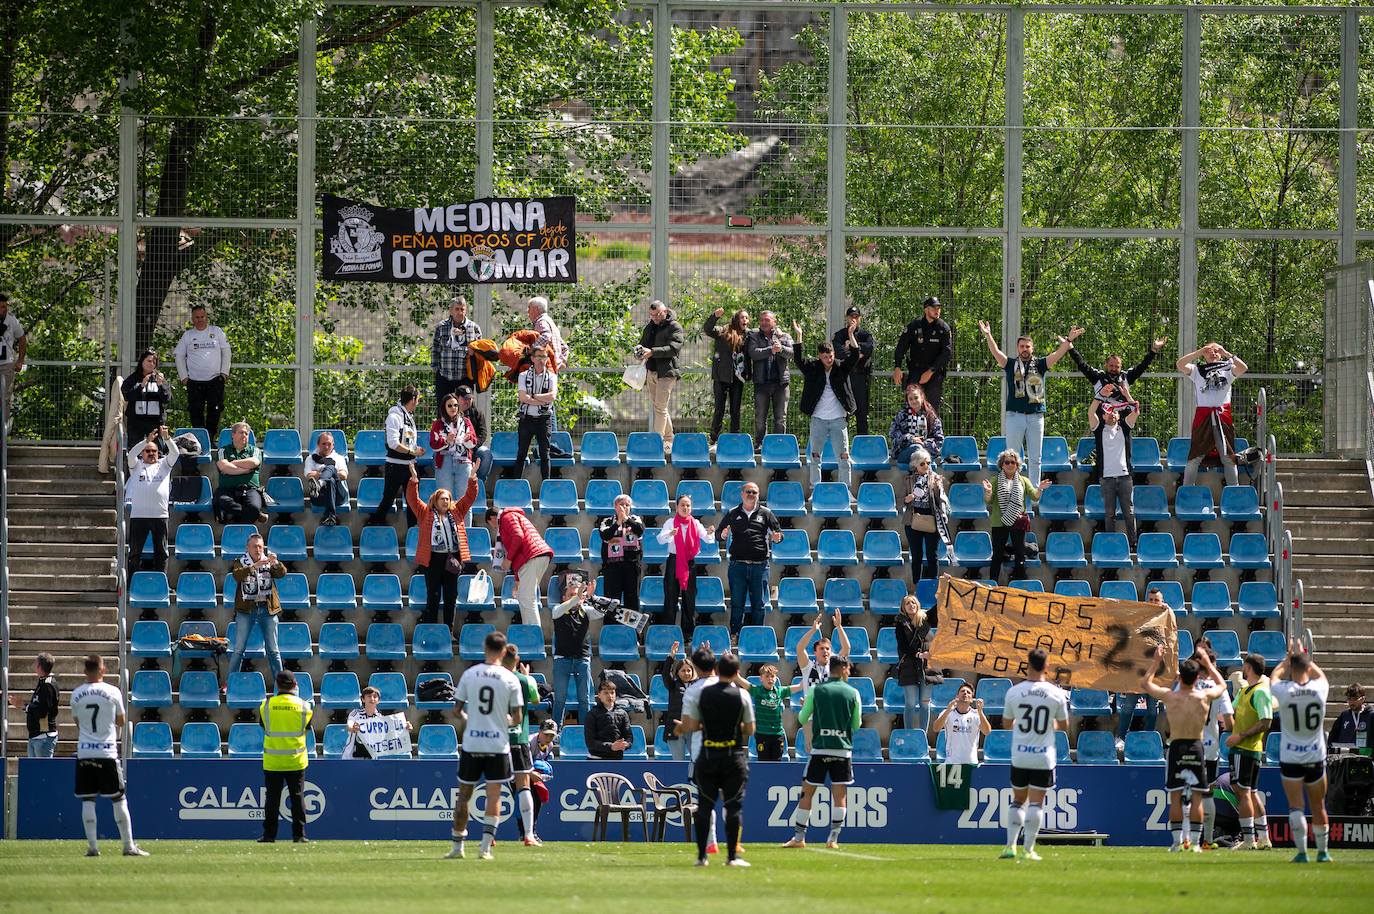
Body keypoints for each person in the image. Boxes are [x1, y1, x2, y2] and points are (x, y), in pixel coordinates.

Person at [1138, 644, 1228, 852]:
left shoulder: (1171, 696)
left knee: (1175, 796)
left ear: (1180, 678)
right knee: (1197, 796)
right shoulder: (1203, 697)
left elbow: (1145, 683)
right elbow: (1222, 685)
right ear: (1197, 678)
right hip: (1196, 747)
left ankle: (1177, 843)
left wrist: (1156, 662)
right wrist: (1208, 664)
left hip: (1177, 747)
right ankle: (1195, 844)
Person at [447, 629, 523, 860]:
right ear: (503, 651)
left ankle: (458, 847)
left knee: (464, 797)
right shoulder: (510, 678)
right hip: (497, 746)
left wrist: (470, 719)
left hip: (473, 743)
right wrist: (505, 721)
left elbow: (457, 710)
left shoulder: (470, 674)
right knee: (494, 796)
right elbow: (517, 717)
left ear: (484, 649)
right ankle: (485, 849)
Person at [679, 651, 754, 867]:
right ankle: (732, 857)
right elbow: (750, 729)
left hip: (707, 754)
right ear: (736, 672)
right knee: (733, 806)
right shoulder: (742, 695)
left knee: (704, 806)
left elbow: (691, 725)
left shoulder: (701, 693)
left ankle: (702, 857)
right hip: (733, 755)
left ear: (718, 670)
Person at [978, 321, 1076, 484]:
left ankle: (1035, 492)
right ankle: (1013, 488)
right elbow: (995, 351)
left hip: (1036, 416)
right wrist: (988, 335)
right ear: (1018, 348)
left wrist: (1068, 341)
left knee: (1036, 457)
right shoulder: (1010, 364)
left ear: (1032, 348)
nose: (1025, 349)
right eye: (1022, 346)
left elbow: (1058, 354)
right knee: (1012, 457)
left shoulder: (1040, 364)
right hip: (1014, 416)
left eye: (1028, 346)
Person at [781, 655, 862, 849]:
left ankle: (799, 839)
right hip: (842, 751)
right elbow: (856, 725)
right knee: (839, 796)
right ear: (842, 669)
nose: (849, 672)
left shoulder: (817, 690)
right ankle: (832, 839)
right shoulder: (853, 693)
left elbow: (802, 717)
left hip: (819, 749)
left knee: (807, 793)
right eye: (848, 669)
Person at [71, 654, 149, 856]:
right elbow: (122, 721)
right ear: (103, 670)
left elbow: (78, 722)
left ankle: (93, 848)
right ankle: (128, 846)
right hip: (106, 752)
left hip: (85, 752)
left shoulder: (77, 693)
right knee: (118, 799)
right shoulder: (113, 692)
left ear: (84, 671)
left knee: (88, 800)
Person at [1000, 648, 1069, 861]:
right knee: (1037, 803)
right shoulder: (1056, 693)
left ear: (1027, 666)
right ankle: (1028, 849)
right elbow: (1064, 726)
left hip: (1020, 754)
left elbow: (1006, 724)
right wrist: (1048, 724)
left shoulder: (1014, 691)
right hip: (1043, 755)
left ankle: (1010, 846)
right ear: (1047, 667)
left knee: (1018, 800)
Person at [1270, 640, 1334, 862]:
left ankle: (1301, 853)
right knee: (1318, 805)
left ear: (1291, 669)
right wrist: (1303, 654)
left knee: (1296, 806)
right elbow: (1321, 676)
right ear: (1308, 668)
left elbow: (1273, 678)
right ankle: (1323, 853)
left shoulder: (1285, 690)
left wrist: (1287, 659)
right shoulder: (1319, 688)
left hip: (1290, 756)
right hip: (1315, 755)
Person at [407, 465, 479, 631]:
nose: (446, 501)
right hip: (432, 560)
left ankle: (449, 631)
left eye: (448, 499)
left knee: (450, 597)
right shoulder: (425, 512)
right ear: (435, 500)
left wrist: (473, 477)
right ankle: (431, 630)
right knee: (433, 596)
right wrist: (414, 479)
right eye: (442, 499)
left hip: (452, 558)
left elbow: (470, 496)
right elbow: (412, 498)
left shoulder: (457, 511)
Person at [792, 320, 861, 489]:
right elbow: (799, 360)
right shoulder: (813, 368)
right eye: (825, 357)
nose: (829, 359)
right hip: (818, 420)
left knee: (844, 457)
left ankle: (846, 489)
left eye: (830, 356)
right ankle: (815, 488)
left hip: (838, 420)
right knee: (815, 457)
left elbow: (854, 355)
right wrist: (799, 336)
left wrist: (851, 335)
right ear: (819, 357)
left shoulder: (840, 367)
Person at [717, 482, 783, 639]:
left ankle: (757, 636)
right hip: (737, 566)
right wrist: (723, 535)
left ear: (758, 495)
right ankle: (735, 634)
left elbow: (779, 532)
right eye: (748, 491)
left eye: (754, 492)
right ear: (742, 494)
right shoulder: (733, 513)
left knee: (759, 604)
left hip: (760, 567)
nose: (751, 494)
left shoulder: (766, 513)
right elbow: (718, 533)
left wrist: (778, 538)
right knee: (737, 603)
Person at [1178, 341, 1248, 487]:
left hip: (1222, 416)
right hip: (1203, 416)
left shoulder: (1228, 369)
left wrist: (1227, 353)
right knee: (1195, 456)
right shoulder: (1197, 370)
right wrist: (1199, 352)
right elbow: (1180, 364)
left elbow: (1243, 367)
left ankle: (1233, 491)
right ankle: (1186, 491)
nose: (1213, 353)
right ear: (1204, 354)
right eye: (1209, 351)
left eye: (1216, 351)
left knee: (1228, 457)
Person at [1065, 330, 1166, 427]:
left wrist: (1154, 349)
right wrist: (1070, 347)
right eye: (1111, 365)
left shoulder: (1126, 377)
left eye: (1117, 366)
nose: (1114, 369)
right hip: (1103, 422)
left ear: (1121, 367)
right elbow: (1081, 364)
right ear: (1106, 365)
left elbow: (1142, 366)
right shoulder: (1098, 376)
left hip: (1122, 422)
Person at [256, 670, 312, 843]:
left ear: (277, 685)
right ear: (295, 685)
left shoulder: (266, 705)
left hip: (273, 761)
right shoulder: (304, 706)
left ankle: (269, 835)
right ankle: (299, 835)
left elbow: (264, 727)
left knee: (272, 799)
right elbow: (307, 729)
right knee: (297, 798)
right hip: (296, 760)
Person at [1226, 654, 1274, 850]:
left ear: (1248, 667)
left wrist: (1241, 735)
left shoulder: (1261, 692)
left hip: (1246, 748)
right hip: (1242, 749)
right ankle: (1263, 838)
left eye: (1244, 665)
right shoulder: (1245, 690)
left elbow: (1266, 721)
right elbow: (1232, 713)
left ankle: (1248, 840)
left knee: (1243, 792)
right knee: (1251, 793)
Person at [225, 533, 285, 687]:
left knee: (273, 651)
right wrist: (253, 567)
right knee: (238, 649)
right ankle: (229, 683)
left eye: (260, 546)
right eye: (254, 546)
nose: (258, 549)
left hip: (267, 609)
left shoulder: (269, 561)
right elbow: (236, 576)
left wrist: (276, 562)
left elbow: (281, 573)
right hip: (247, 610)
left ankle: (281, 686)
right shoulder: (241, 561)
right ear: (247, 548)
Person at [982, 449, 1051, 583]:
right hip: (999, 522)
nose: (1009, 464)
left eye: (1012, 462)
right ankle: (993, 584)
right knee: (997, 555)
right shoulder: (994, 481)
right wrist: (989, 491)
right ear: (1002, 464)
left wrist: (1040, 488)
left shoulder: (1024, 481)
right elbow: (987, 500)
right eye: (1006, 462)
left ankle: (1020, 584)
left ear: (1017, 464)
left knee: (1020, 554)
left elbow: (1034, 496)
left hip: (1018, 522)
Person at [501, 644, 545, 846]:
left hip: (496, 739)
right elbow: (536, 701)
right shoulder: (525, 680)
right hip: (518, 739)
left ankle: (488, 837)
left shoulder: (493, 680)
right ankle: (528, 834)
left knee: (492, 787)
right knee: (524, 787)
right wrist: (527, 676)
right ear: (517, 661)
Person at [1114, 587, 1167, 752]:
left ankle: (1149, 738)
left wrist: (1167, 609)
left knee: (1152, 708)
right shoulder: (1139, 615)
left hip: (1155, 670)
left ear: (1162, 602)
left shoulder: (1166, 615)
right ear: (1146, 601)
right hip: (1137, 670)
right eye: (1150, 600)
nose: (1153, 603)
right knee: (1128, 705)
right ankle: (1121, 737)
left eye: (1156, 600)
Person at [656, 494, 715, 641]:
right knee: (670, 596)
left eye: (688, 505)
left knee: (689, 598)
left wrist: (709, 533)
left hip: (689, 563)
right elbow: (660, 539)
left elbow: (707, 539)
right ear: (676, 507)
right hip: (674, 561)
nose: (685, 507)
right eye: (682, 505)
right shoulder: (671, 522)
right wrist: (670, 533)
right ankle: (668, 632)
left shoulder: (695, 523)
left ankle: (687, 633)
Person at [1194, 637, 1235, 849]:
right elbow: (1229, 722)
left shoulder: (1185, 682)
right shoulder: (1219, 688)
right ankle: (1207, 840)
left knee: (1187, 794)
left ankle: (1187, 841)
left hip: (1188, 745)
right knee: (1207, 793)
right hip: (1210, 748)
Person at [124, 427, 179, 584]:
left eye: (153, 451)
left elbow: (175, 453)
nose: (151, 453)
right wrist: (146, 441)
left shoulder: (164, 465)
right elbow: (132, 454)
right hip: (139, 516)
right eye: (147, 451)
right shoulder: (136, 466)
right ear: (143, 453)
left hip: (160, 516)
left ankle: (162, 584)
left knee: (161, 552)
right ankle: (131, 583)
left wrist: (167, 439)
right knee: (135, 552)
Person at [367, 385, 426, 527]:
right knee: (388, 498)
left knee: (413, 500)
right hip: (395, 465)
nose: (418, 402)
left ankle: (412, 531)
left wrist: (415, 449)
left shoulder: (408, 416)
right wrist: (413, 452)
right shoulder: (394, 416)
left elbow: (406, 442)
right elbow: (393, 444)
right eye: (417, 399)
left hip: (410, 465)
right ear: (413, 399)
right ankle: (375, 524)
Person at [550, 574, 605, 725]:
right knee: (560, 698)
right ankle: (556, 731)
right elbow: (562, 609)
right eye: (571, 595)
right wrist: (580, 596)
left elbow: (601, 612)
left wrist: (591, 598)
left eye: (576, 594)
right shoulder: (557, 610)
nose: (575, 597)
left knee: (584, 699)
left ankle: (585, 731)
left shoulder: (585, 610)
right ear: (563, 597)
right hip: (562, 660)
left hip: (582, 658)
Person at [489, 505, 553, 627]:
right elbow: (521, 555)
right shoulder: (513, 516)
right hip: (536, 556)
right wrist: (518, 582)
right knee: (523, 596)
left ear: (492, 517)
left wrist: (508, 559)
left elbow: (518, 537)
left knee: (528, 599)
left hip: (533, 557)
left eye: (490, 524)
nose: (493, 527)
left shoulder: (506, 517)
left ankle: (534, 637)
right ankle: (528, 630)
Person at [173, 304, 230, 437]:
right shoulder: (188, 335)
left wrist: (224, 374)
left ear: (206, 317)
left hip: (215, 380)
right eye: (197, 317)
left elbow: (226, 352)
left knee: (214, 411)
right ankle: (199, 439)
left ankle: (211, 439)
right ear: (192, 319)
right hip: (194, 382)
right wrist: (184, 377)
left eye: (202, 316)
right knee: (195, 412)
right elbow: (179, 356)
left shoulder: (217, 332)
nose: (200, 320)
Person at [901, 447, 949, 599]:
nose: (926, 466)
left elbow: (942, 500)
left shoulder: (934, 477)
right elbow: (898, 500)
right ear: (915, 464)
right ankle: (916, 588)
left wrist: (937, 488)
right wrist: (906, 500)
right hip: (913, 520)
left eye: (928, 463)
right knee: (916, 555)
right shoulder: (908, 480)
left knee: (932, 555)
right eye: (923, 463)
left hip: (932, 521)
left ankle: (934, 589)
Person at [637, 299, 685, 449]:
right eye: (652, 315)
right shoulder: (650, 327)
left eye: (657, 315)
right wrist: (639, 351)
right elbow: (643, 343)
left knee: (660, 407)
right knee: (659, 408)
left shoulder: (674, 326)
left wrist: (652, 352)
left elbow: (674, 348)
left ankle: (656, 442)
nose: (655, 318)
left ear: (664, 312)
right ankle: (669, 440)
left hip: (667, 372)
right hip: (651, 371)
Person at [1093, 398, 1139, 547]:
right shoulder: (1099, 429)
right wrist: (1099, 396)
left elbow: (1136, 410)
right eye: (1107, 412)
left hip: (1125, 477)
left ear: (1119, 415)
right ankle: (1110, 544)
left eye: (1114, 411)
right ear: (1103, 416)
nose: (1112, 414)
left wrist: (1126, 394)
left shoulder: (1124, 427)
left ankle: (1133, 544)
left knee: (1129, 513)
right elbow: (1090, 412)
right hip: (1107, 478)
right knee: (1109, 514)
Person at [893, 296, 953, 408]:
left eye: (939, 308)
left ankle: (930, 426)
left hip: (934, 373)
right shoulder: (914, 325)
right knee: (912, 408)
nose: (937, 310)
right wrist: (897, 367)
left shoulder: (943, 328)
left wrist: (930, 371)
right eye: (934, 308)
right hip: (915, 371)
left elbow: (947, 353)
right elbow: (901, 347)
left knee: (931, 410)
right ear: (926, 309)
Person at [745, 310, 794, 444]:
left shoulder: (784, 336)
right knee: (760, 417)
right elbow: (753, 353)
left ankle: (778, 445)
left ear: (774, 322)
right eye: (762, 320)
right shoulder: (754, 337)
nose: (764, 323)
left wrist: (781, 349)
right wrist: (770, 350)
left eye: (767, 320)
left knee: (780, 418)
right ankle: (760, 444)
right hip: (761, 384)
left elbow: (791, 353)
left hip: (781, 384)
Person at [703, 307, 750, 442]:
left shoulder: (748, 335)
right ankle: (714, 438)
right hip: (721, 376)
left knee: (735, 410)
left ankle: (735, 438)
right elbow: (708, 329)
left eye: (747, 318)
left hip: (737, 378)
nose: (745, 320)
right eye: (742, 317)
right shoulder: (724, 330)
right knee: (719, 409)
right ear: (736, 319)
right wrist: (714, 316)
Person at [431, 295, 483, 411]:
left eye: (462, 309)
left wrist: (474, 352)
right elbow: (435, 348)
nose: (460, 312)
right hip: (445, 375)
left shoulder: (474, 328)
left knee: (466, 410)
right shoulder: (441, 327)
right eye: (457, 309)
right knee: (443, 409)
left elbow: (481, 353)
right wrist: (435, 367)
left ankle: (466, 429)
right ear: (451, 310)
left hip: (465, 376)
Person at [513, 346, 557, 480]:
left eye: (544, 357)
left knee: (545, 454)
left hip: (544, 419)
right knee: (521, 453)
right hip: (527, 419)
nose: (541, 360)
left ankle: (546, 485)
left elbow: (551, 397)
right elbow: (522, 398)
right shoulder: (523, 375)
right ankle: (517, 484)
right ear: (532, 358)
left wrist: (532, 396)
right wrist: (541, 399)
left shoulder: (551, 376)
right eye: (538, 357)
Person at [597, 494, 645, 614]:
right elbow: (605, 535)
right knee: (611, 601)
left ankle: (632, 631)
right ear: (615, 506)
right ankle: (611, 629)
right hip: (612, 568)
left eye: (627, 505)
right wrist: (618, 523)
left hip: (632, 567)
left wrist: (626, 519)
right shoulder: (606, 521)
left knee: (632, 600)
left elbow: (640, 530)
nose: (624, 507)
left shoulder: (635, 519)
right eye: (621, 504)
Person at [833, 306, 876, 434]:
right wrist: (857, 353)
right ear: (846, 318)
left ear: (860, 319)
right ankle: (842, 448)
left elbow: (869, 349)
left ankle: (862, 448)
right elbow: (839, 353)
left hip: (861, 378)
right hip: (845, 377)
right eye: (851, 317)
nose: (853, 319)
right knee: (843, 413)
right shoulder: (840, 335)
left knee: (862, 413)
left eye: (856, 317)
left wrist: (851, 348)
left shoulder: (865, 334)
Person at [895, 595, 934, 731]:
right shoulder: (900, 624)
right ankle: (909, 735)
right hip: (908, 667)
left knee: (925, 704)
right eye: (907, 603)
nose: (911, 605)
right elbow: (903, 645)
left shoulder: (925, 619)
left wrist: (946, 584)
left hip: (926, 667)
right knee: (910, 704)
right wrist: (918, 654)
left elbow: (940, 607)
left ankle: (923, 738)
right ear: (903, 608)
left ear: (917, 604)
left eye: (913, 602)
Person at [213, 421, 265, 524]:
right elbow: (224, 467)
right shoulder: (223, 450)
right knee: (223, 501)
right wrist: (245, 470)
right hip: (227, 490)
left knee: (254, 507)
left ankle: (236, 523)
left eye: (246, 434)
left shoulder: (254, 450)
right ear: (233, 434)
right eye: (241, 432)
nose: (244, 435)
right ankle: (252, 515)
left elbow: (254, 462)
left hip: (250, 489)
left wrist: (232, 463)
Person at [9, 652, 58, 758]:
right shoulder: (43, 682)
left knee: (43, 772)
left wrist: (25, 706)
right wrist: (22, 706)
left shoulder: (47, 685)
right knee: (34, 773)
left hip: (43, 736)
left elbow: (43, 711)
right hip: (36, 735)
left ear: (39, 666)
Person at [343, 685, 412, 759]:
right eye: (369, 696)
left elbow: (390, 736)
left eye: (375, 697)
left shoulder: (380, 718)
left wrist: (406, 730)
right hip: (353, 757)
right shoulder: (356, 713)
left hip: (373, 758)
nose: (372, 699)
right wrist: (353, 728)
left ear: (378, 701)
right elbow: (349, 725)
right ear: (363, 699)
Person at [431, 392, 478, 499]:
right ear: (444, 407)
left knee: (465, 500)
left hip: (464, 462)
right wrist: (446, 441)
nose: (453, 408)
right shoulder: (438, 424)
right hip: (444, 462)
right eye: (450, 405)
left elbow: (474, 442)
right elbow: (433, 445)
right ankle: (445, 517)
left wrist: (467, 439)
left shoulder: (466, 422)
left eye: (456, 405)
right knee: (444, 499)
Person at [120, 349, 171, 447]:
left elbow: (167, 399)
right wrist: (141, 386)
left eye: (154, 362)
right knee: (135, 449)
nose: (151, 364)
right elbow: (127, 396)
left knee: (156, 450)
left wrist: (161, 386)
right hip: (136, 421)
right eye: (149, 361)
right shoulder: (133, 379)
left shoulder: (159, 378)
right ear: (142, 362)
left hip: (155, 421)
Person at [795, 610, 852, 693]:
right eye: (821, 648)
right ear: (815, 653)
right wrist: (813, 630)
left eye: (827, 649)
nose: (825, 651)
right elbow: (800, 648)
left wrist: (839, 627)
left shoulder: (835, 667)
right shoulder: (808, 667)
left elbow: (846, 648)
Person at [888, 383, 944, 464]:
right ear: (907, 401)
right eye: (910, 399)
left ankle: (920, 474)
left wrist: (924, 444)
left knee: (921, 452)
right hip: (905, 453)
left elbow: (939, 440)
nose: (914, 401)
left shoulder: (931, 416)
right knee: (917, 448)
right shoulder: (902, 415)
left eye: (916, 398)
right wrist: (911, 439)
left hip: (926, 452)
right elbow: (893, 434)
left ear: (922, 397)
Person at [935, 682, 991, 764]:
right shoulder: (947, 712)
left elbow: (987, 731)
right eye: (962, 691)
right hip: (951, 762)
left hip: (971, 762)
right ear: (957, 697)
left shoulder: (977, 714)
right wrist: (948, 711)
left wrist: (980, 711)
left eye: (968, 692)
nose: (965, 693)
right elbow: (936, 728)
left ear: (972, 699)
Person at [659, 643, 696, 761]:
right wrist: (671, 657)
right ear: (677, 672)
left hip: (694, 729)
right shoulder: (673, 685)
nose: (686, 673)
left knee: (696, 762)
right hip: (675, 729)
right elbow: (665, 674)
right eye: (683, 671)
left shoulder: (698, 685)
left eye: (689, 670)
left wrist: (704, 656)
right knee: (678, 762)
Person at [304, 431, 348, 526]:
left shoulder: (339, 458)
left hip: (338, 496)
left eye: (329, 444)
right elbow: (309, 475)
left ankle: (319, 483)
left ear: (333, 445)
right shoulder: (310, 459)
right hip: (318, 496)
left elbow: (344, 476)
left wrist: (319, 473)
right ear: (318, 444)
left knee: (331, 468)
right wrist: (329, 473)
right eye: (323, 444)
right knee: (331, 478)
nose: (326, 447)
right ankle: (330, 517)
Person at [586, 678, 633, 760]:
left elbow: (629, 737)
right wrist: (611, 746)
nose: (610, 696)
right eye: (606, 693)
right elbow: (590, 742)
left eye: (612, 693)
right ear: (599, 695)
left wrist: (625, 744)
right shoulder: (592, 714)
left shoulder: (623, 713)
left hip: (617, 758)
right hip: (596, 758)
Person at [0, 292, 28, 429]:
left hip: (7, 364)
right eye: (0, 307)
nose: (3, 310)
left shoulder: (12, 320)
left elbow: (22, 339)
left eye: (5, 306)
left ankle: (3, 433)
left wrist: (20, 360)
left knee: (5, 399)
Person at [455, 386, 494, 484]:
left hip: (473, 447)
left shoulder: (477, 413)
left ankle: (478, 484)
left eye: (469, 398)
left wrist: (473, 448)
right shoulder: (450, 412)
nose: (467, 401)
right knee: (436, 456)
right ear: (457, 398)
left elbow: (483, 433)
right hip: (454, 448)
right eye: (464, 399)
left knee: (486, 454)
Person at [1329, 682, 1374, 754]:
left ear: (1363, 699)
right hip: (1345, 758)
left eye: (1355, 699)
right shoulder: (1344, 715)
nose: (1352, 702)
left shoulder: (1371, 715)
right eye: (1349, 699)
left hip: (1365, 758)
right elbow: (1333, 736)